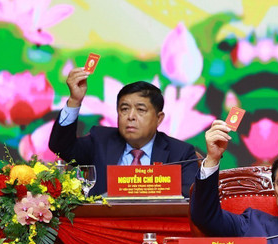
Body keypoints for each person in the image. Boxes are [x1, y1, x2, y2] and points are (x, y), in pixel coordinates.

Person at [49, 68, 199, 196]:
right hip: (104, 225)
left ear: (159, 119)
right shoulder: (100, 141)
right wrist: (75, 101)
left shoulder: (181, 153)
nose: (130, 116)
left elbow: (190, 198)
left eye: (141, 110)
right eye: (124, 109)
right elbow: (61, 146)